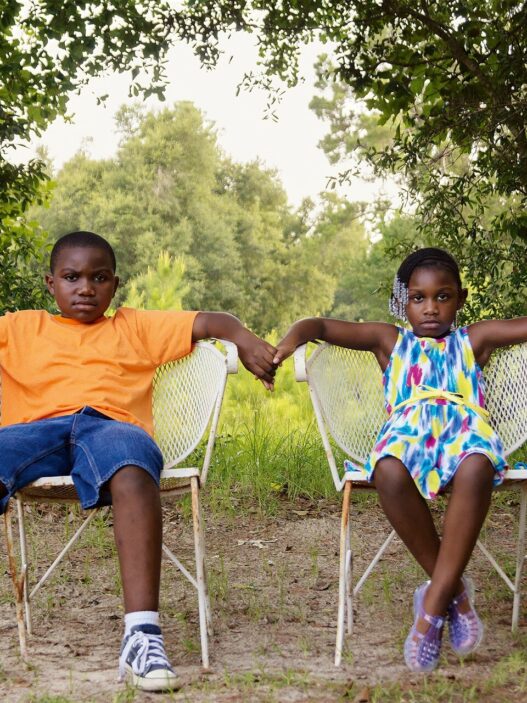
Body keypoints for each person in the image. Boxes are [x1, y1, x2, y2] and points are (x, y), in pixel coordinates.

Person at [0, 230, 277, 692]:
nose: (85, 288)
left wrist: (243, 339)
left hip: (110, 428)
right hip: (37, 431)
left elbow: (211, 321)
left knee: (133, 465)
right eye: (72, 277)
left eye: (99, 277)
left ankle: (142, 634)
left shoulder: (133, 326)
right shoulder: (21, 328)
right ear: (51, 284)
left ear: (115, 284)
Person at [274, 247, 527, 673]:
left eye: (443, 297)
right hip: (407, 434)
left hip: (464, 432)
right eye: (418, 298)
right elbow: (316, 325)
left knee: (479, 464)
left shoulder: (473, 339)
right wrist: (287, 342)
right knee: (387, 469)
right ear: (404, 302)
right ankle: (454, 595)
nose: (430, 308)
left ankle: (430, 611)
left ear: (460, 299)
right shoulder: (390, 340)